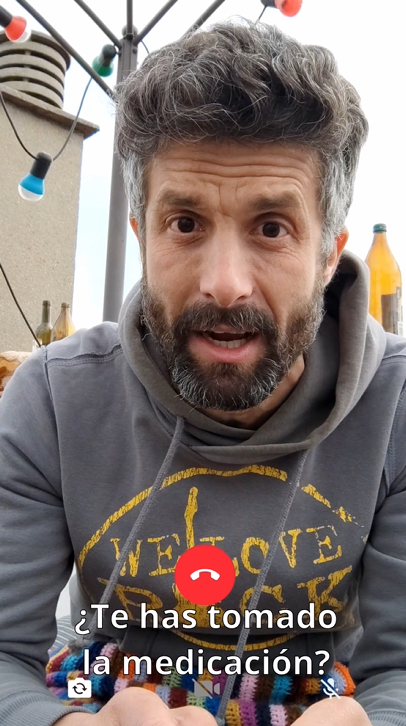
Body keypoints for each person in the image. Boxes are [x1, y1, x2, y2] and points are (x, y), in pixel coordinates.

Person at [0, 16, 405, 726]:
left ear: (327, 254)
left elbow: (399, 669)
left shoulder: (395, 406)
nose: (224, 284)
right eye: (185, 223)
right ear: (142, 236)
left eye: (272, 228)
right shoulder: (53, 401)